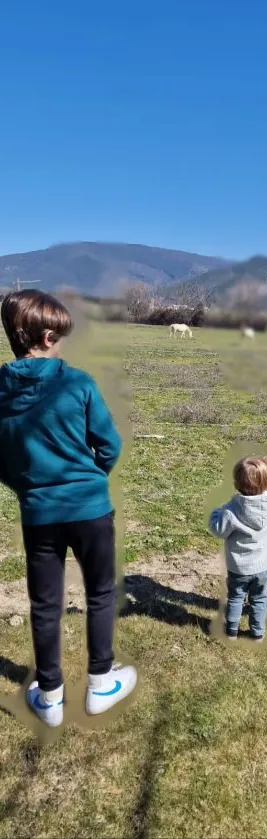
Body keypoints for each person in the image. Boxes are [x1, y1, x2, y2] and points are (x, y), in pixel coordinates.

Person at [0, 289, 136, 727]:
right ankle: (101, 684)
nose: (62, 342)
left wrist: (27, 485)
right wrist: (93, 477)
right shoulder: (77, 383)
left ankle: (50, 695)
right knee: (100, 594)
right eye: (58, 334)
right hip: (91, 510)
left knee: (45, 604)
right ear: (43, 337)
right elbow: (109, 445)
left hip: (39, 514)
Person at [208, 456, 267, 641]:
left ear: (237, 485)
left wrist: (217, 512)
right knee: (260, 598)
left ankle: (231, 631)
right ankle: (257, 633)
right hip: (265, 565)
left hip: (239, 567)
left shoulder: (232, 509)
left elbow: (218, 529)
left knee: (236, 598)